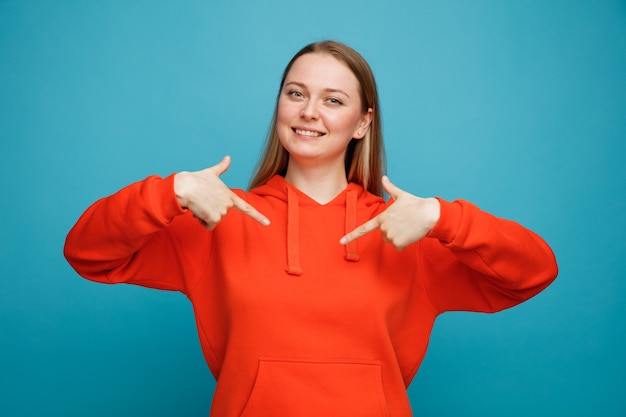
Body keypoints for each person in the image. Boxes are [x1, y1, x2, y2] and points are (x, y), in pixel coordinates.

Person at [64, 40, 558, 417]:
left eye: (333, 100)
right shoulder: (220, 218)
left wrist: (444, 218)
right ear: (279, 104)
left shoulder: (405, 232)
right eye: (296, 93)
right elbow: (87, 252)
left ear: (362, 123)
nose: (308, 112)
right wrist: (168, 192)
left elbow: (534, 271)